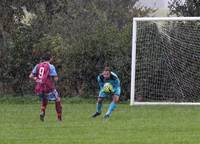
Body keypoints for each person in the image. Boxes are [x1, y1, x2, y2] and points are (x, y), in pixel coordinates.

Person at [29, 54, 62, 121]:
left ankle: (42, 111)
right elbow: (55, 79)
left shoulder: (37, 65)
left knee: (45, 99)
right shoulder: (51, 66)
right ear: (50, 59)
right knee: (57, 100)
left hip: (39, 88)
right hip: (48, 87)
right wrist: (54, 79)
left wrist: (37, 79)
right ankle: (59, 118)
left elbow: (30, 76)